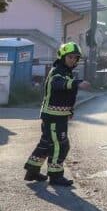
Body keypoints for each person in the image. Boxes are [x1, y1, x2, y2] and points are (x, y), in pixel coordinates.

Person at [23, 42, 91, 186]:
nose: (73, 60)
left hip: (56, 115)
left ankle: (32, 171)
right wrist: (76, 83)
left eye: (75, 58)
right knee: (60, 145)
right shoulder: (57, 72)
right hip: (53, 117)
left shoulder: (65, 72)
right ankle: (55, 176)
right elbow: (59, 84)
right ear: (62, 57)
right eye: (70, 57)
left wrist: (70, 110)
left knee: (47, 144)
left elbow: (66, 95)